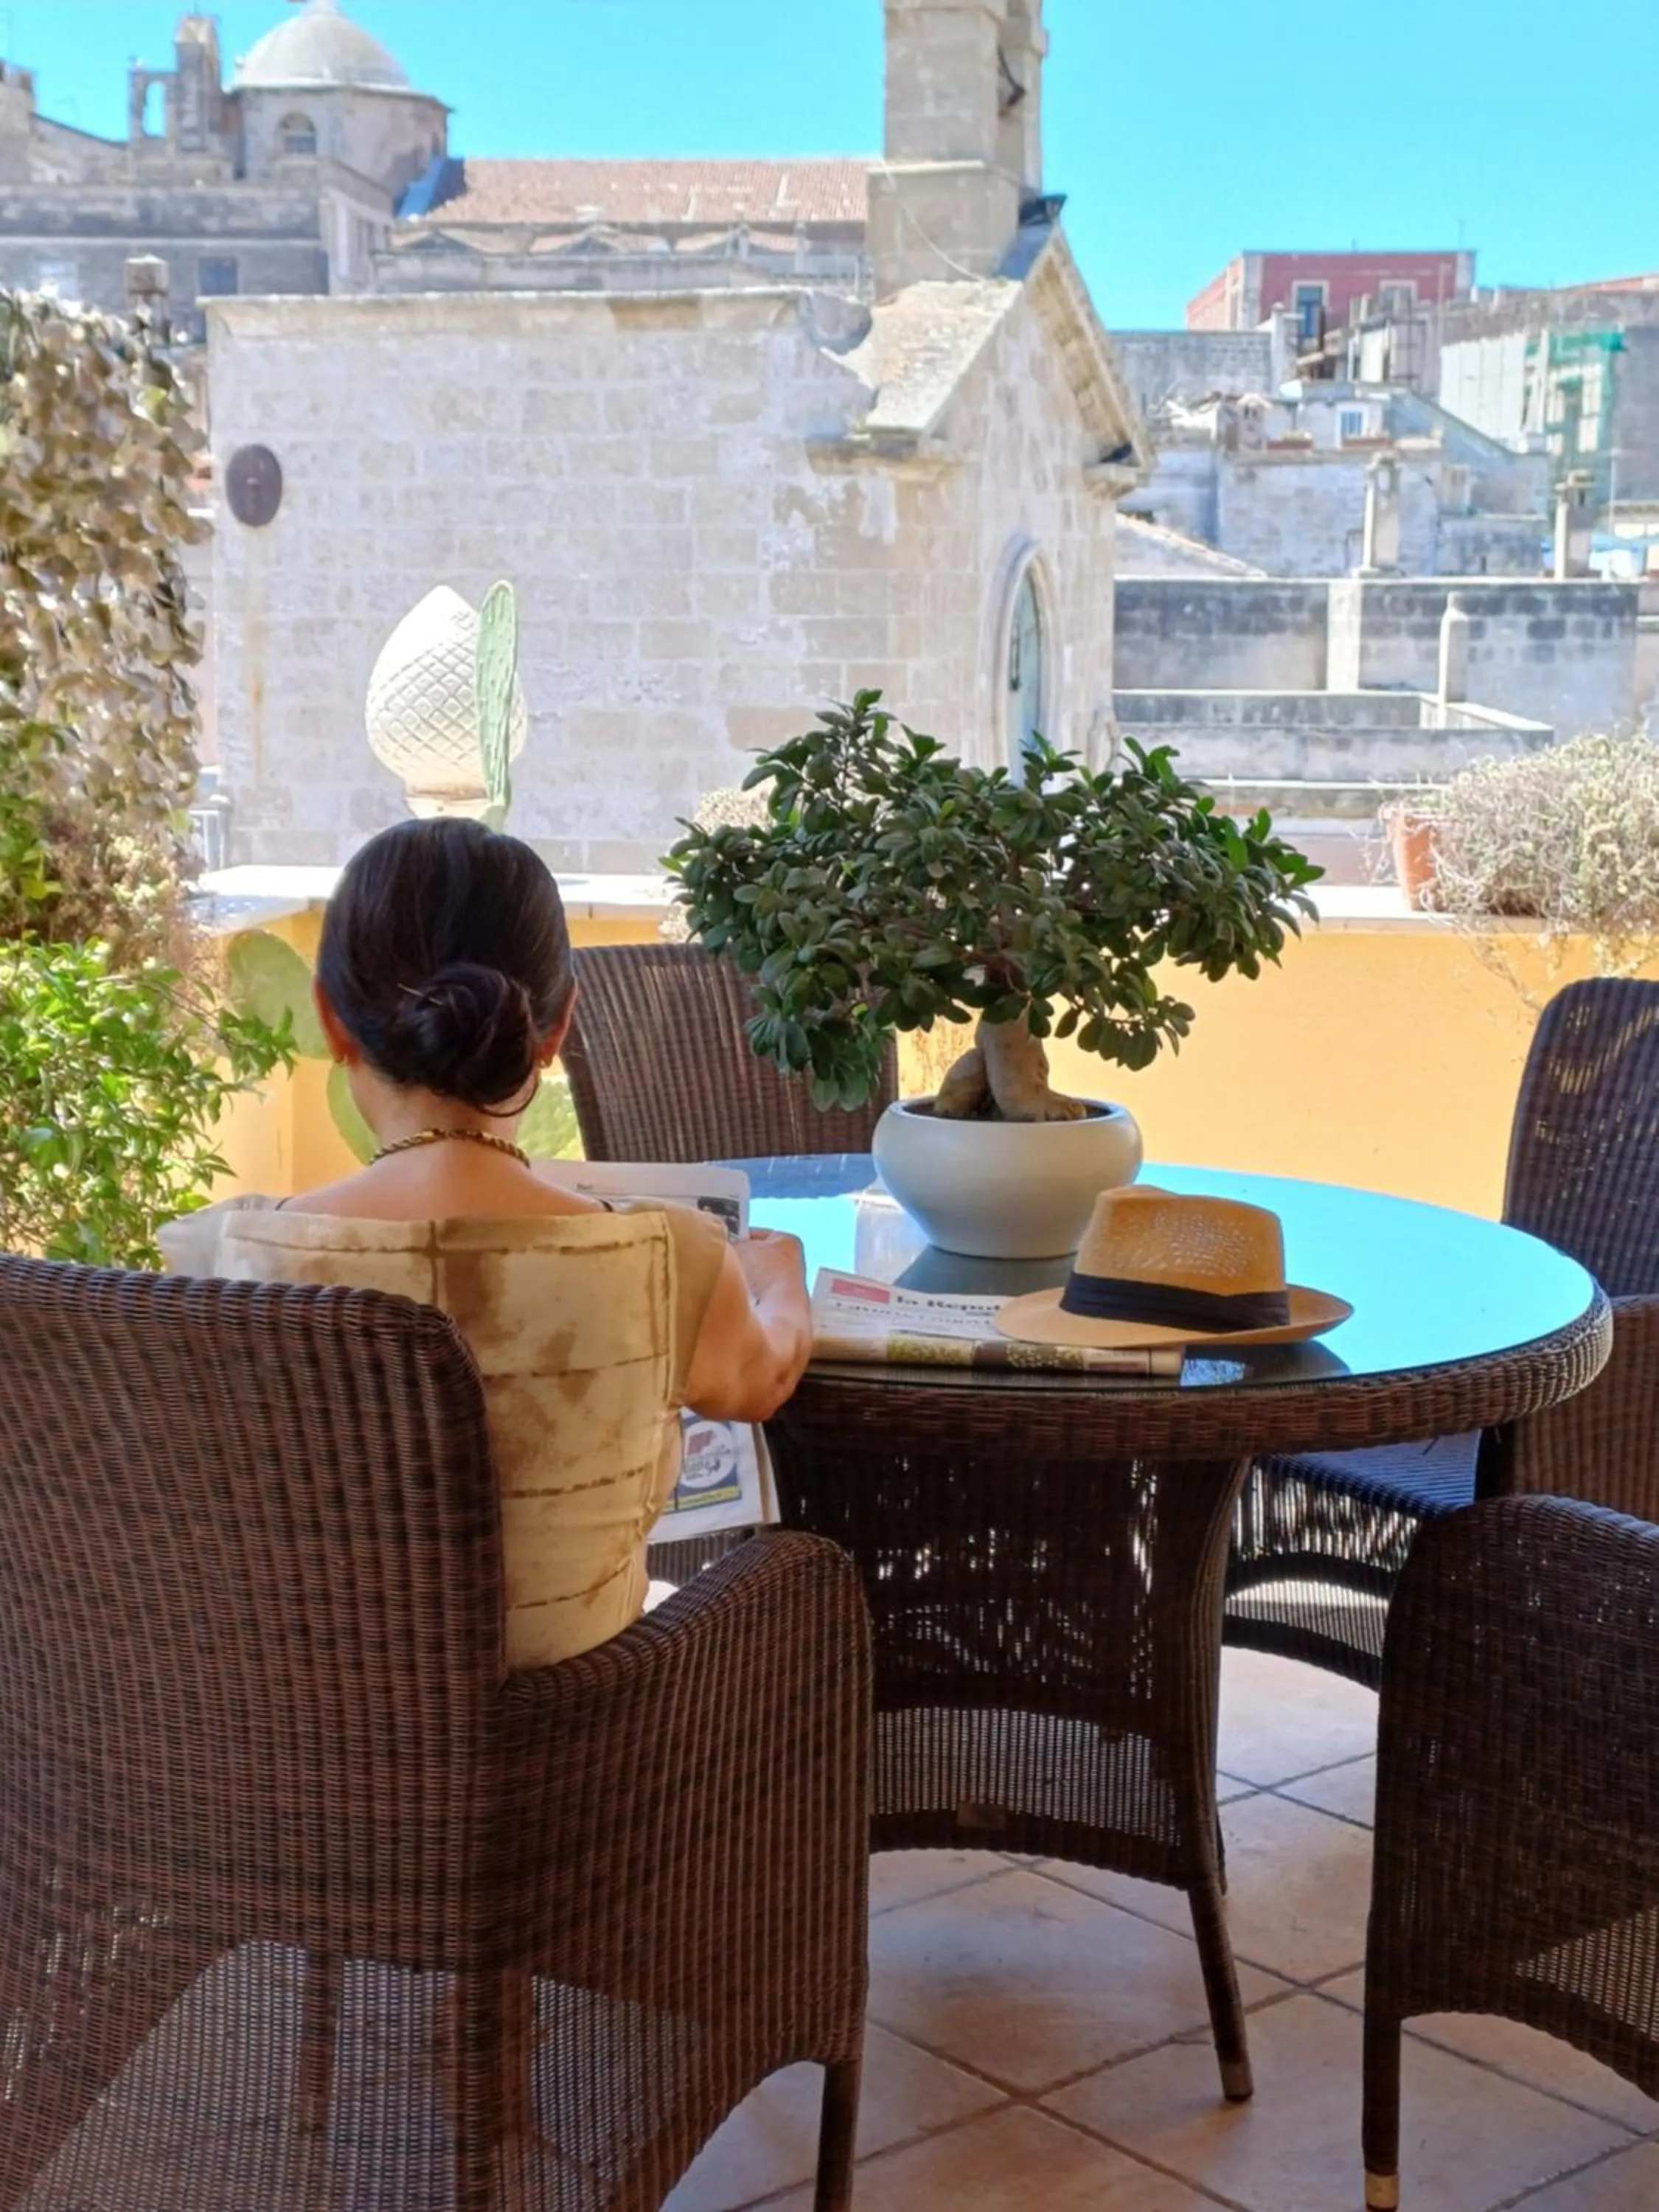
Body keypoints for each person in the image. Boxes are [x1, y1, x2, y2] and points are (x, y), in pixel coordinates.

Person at [159, 817, 812, 1668]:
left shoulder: (223, 1259)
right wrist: (781, 1278)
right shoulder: (672, 1257)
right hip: (590, 1752)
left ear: (331, 1019)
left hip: (300, 1752)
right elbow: (761, 1381)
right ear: (558, 1027)